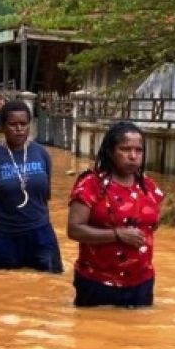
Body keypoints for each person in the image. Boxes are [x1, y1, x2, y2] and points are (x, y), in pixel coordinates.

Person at [67, 121, 165, 307]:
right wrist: (116, 235)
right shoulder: (91, 184)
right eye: (125, 149)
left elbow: (154, 224)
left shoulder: (148, 186)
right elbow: (74, 230)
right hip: (97, 282)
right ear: (111, 151)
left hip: (141, 282)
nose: (133, 156)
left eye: (139, 150)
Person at [0, 101, 63, 272]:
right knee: (1, 286)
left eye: (24, 124)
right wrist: (1, 218)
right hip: (2, 235)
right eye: (13, 124)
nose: (19, 129)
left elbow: (45, 194)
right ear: (2, 126)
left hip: (40, 232)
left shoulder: (41, 154)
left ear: (30, 125)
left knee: (51, 282)